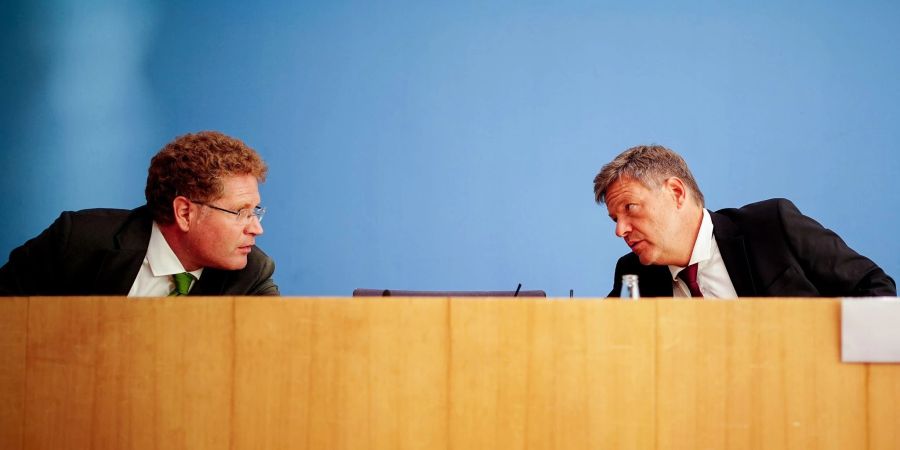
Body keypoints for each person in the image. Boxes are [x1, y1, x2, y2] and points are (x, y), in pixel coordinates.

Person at [594, 144, 895, 298]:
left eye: (630, 208)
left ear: (676, 193)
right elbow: (600, 343)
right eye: (614, 219)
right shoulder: (634, 274)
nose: (620, 230)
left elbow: (875, 287)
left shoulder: (772, 227)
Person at [0, 131, 279, 296]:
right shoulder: (76, 242)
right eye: (240, 212)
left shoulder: (250, 273)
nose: (256, 228)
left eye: (255, 211)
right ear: (184, 212)